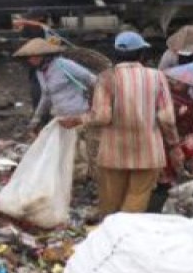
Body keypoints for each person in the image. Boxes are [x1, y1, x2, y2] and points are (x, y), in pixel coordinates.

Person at [61, 31, 180, 217]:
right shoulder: (157, 77)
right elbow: (167, 118)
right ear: (141, 54)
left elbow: (102, 116)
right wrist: (174, 145)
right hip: (148, 152)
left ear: (116, 54)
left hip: (113, 153)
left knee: (109, 204)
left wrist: (79, 119)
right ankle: (125, 231)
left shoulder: (106, 78)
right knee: (136, 201)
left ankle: (107, 231)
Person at [148, 64, 193, 212]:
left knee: (162, 181)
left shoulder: (184, 101)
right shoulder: (167, 99)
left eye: (180, 82)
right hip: (162, 144)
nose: (175, 84)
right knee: (159, 180)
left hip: (169, 145)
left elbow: (192, 128)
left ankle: (154, 209)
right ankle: (152, 209)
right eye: (174, 81)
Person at [19, 38, 97, 130]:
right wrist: (36, 118)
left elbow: (91, 79)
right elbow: (46, 95)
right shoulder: (39, 72)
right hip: (61, 117)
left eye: (34, 56)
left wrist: (96, 103)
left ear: (44, 55)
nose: (31, 59)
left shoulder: (63, 64)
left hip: (78, 114)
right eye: (29, 57)